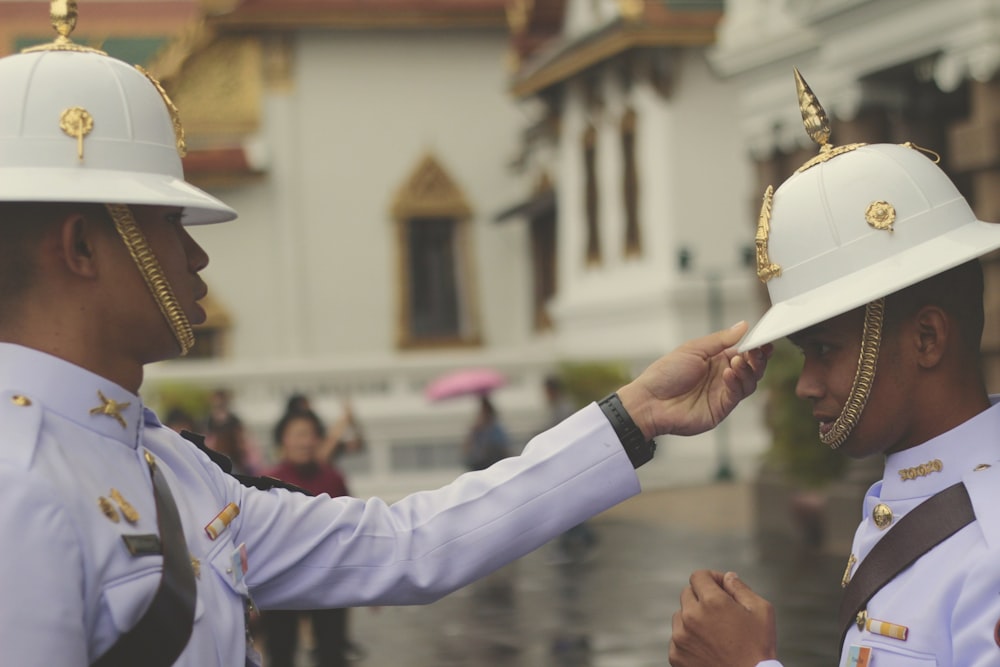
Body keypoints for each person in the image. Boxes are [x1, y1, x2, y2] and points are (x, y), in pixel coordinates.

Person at [0, 4, 769, 665]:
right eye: (171, 224)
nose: (197, 257)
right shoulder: (19, 489)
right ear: (79, 246)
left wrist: (634, 415)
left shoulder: (168, 465)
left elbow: (406, 543)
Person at [669, 69, 1000, 667]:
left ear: (926, 338)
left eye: (824, 350)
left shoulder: (991, 537)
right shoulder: (906, 497)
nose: (806, 385)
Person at [262, 409, 351, 667]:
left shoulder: (333, 478)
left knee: (332, 655)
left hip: (328, 581)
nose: (306, 442)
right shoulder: (267, 481)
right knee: (280, 655)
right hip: (280, 582)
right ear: (283, 441)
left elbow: (350, 527)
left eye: (312, 435)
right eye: (298, 435)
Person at [543, 375, 598, 563]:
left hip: (569, 463)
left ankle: (579, 538)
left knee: (567, 504)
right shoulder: (559, 406)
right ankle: (578, 537)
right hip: (564, 463)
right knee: (567, 504)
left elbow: (563, 434)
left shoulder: (564, 407)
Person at [462, 394, 511, 471]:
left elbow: (503, 448)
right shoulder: (477, 430)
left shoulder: (495, 429)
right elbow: (466, 449)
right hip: (478, 465)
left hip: (492, 464)